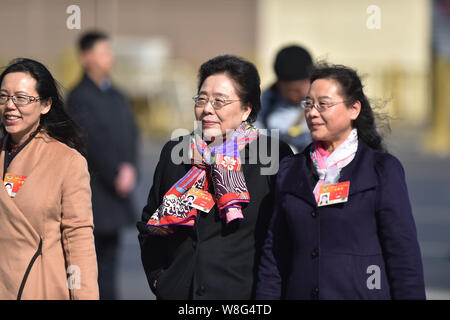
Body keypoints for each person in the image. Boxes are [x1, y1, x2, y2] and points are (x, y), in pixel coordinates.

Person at [256, 63, 426, 300]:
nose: (312, 112)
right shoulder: (291, 169)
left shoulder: (381, 169)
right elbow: (274, 253)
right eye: (308, 104)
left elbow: (403, 255)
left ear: (353, 109)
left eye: (323, 104)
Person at [137, 55, 293, 300]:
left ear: (246, 109)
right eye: (202, 99)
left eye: (219, 101)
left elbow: (285, 233)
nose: (207, 109)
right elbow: (149, 225)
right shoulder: (176, 152)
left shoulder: (271, 156)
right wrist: (160, 279)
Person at [0, 58, 98, 299]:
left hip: (39, 285)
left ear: (45, 105)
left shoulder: (67, 162)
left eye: (21, 98)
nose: (10, 106)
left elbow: (78, 240)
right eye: (3, 97)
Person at [67, 31, 139, 300]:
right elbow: (91, 140)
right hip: (95, 194)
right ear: (86, 57)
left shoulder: (118, 95)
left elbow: (131, 134)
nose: (110, 56)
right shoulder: (79, 97)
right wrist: (115, 173)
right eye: (103, 51)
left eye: (111, 51)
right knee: (89, 269)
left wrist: (130, 168)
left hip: (117, 194)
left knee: (110, 266)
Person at [255, 45, 314, 153]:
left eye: (297, 90)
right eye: (287, 91)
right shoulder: (267, 103)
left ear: (310, 80)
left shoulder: (323, 104)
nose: (293, 96)